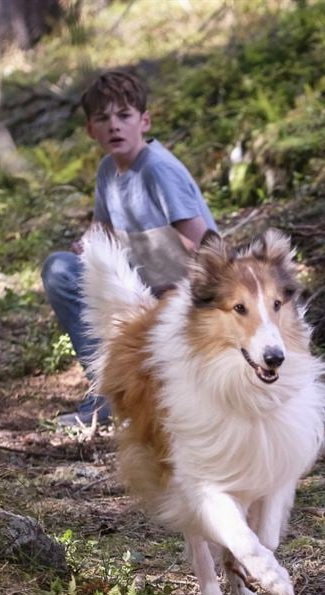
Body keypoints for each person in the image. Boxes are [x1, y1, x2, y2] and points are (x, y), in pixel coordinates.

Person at [41, 70, 218, 428]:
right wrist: (86, 246)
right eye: (103, 119)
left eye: (124, 116)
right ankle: (107, 394)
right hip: (139, 290)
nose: (114, 127)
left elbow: (204, 245)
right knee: (60, 269)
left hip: (182, 297)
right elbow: (100, 230)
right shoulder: (109, 170)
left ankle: (152, 396)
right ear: (91, 129)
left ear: (144, 121)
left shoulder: (158, 171)